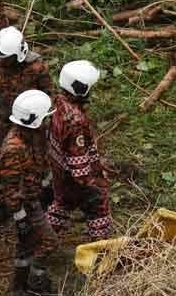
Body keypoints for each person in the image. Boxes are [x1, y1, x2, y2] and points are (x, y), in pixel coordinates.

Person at [0, 26, 52, 227]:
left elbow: (48, 96)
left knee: (39, 161)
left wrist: (45, 119)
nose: (2, 60)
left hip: (32, 124)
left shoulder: (37, 68)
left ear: (18, 54)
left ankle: (42, 201)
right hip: (3, 122)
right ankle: (1, 205)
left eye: (6, 57)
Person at [0, 90, 58, 296]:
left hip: (33, 197)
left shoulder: (32, 135)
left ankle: (19, 288)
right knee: (49, 243)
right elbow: (10, 188)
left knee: (25, 246)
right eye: (44, 118)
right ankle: (36, 282)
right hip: (25, 205)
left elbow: (39, 162)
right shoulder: (13, 149)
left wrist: (46, 184)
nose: (47, 122)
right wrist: (20, 218)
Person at [46, 60, 113, 240]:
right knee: (99, 206)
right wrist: (92, 183)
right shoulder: (75, 121)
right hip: (73, 174)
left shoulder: (58, 102)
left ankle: (41, 242)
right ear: (81, 89)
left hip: (58, 166)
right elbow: (78, 162)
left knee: (62, 203)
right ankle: (100, 249)